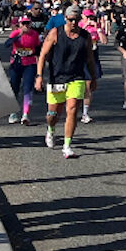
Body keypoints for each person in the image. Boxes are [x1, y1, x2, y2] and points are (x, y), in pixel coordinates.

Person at [37, 8, 99, 159]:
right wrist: (39, 76)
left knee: (72, 109)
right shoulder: (55, 33)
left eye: (76, 20)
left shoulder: (85, 37)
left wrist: (93, 77)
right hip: (57, 77)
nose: (73, 23)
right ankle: (51, 130)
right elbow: (43, 55)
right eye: (70, 19)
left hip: (76, 77)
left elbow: (90, 59)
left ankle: (67, 145)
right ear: (65, 18)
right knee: (53, 114)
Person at [5, 16, 42, 124]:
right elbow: (7, 44)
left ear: (30, 24)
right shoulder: (16, 33)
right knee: (14, 87)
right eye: (23, 24)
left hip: (30, 64)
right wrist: (18, 36)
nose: (26, 26)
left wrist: (40, 67)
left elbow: (38, 50)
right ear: (20, 25)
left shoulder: (34, 34)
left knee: (27, 87)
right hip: (16, 64)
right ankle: (13, 113)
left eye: (27, 24)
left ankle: (25, 114)